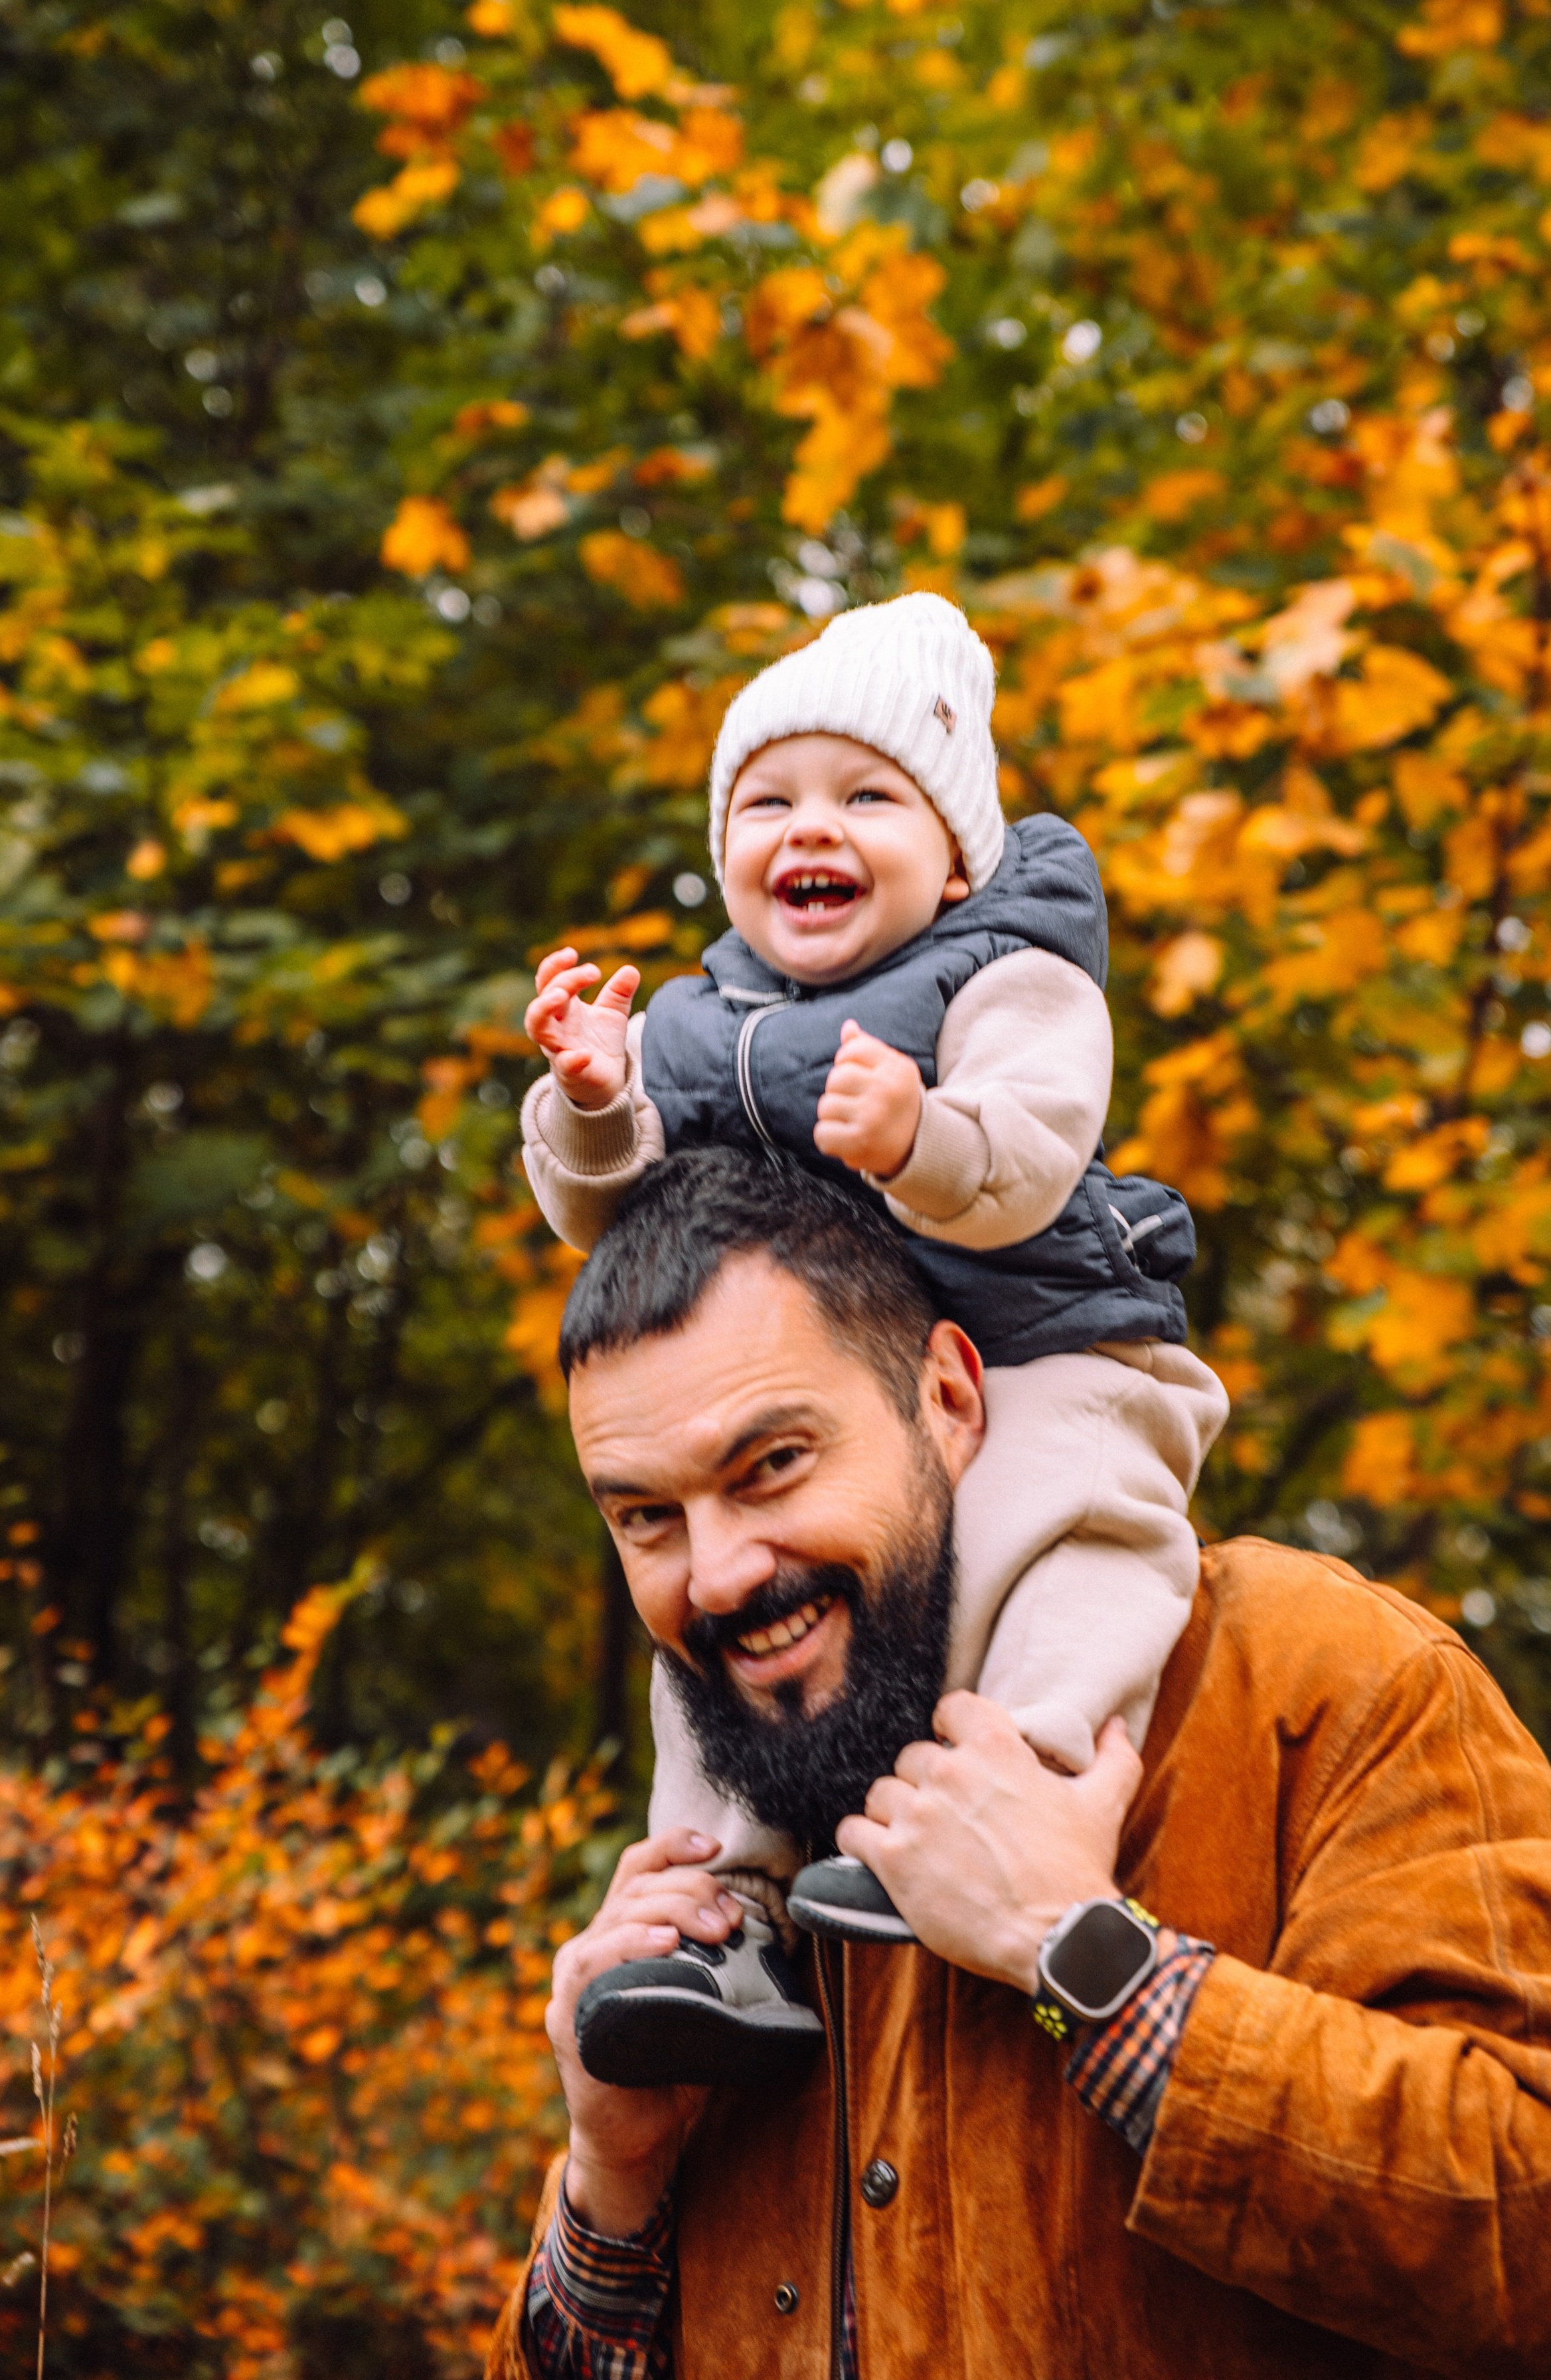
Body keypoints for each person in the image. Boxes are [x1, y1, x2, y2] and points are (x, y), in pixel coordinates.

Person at [485, 1148, 1551, 2380]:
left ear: (948, 1397)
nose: (718, 1571)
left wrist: (1086, 1958)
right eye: (647, 1519)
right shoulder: (716, 1920)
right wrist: (608, 2187)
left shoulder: (1319, 1676)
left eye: (773, 1465)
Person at [519, 592, 1228, 2073]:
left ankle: (1015, 1772)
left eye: (864, 796)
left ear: (955, 854)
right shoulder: (705, 1012)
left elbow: (1031, 1144)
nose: (807, 830)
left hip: (1052, 1337)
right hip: (878, 1362)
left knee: (1064, 1522)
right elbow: (599, 1205)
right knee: (697, 1643)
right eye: (764, 801)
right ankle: (723, 1920)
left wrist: (925, 1138)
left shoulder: (1006, 968)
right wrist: (591, 1100)